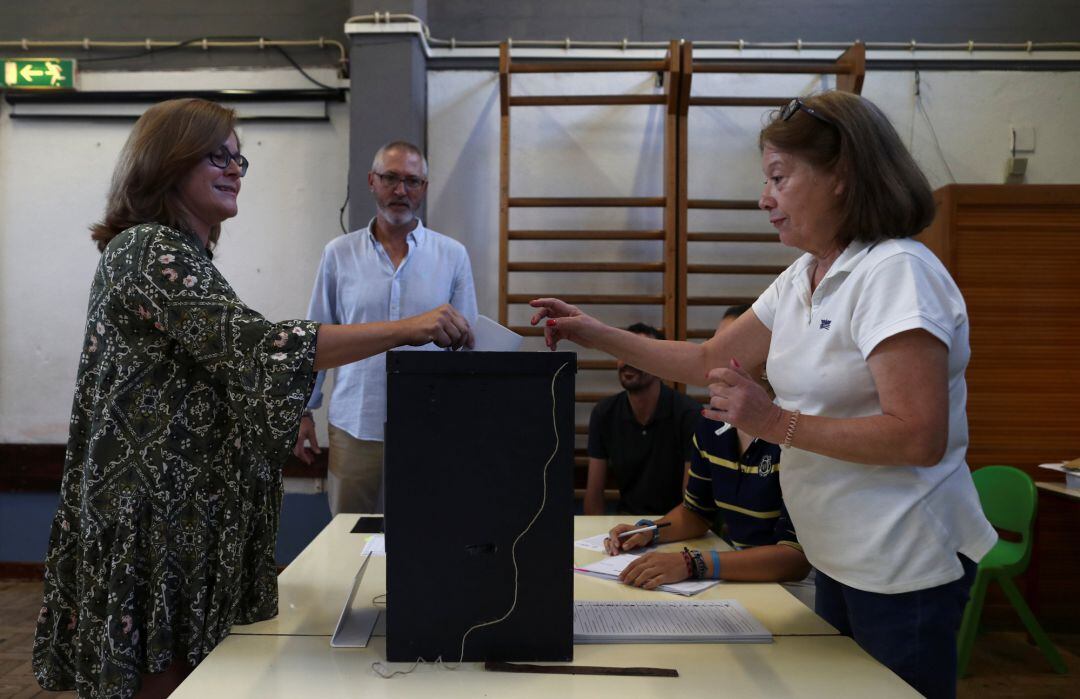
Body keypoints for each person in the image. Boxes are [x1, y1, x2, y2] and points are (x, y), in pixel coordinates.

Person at [531, 91, 996, 699]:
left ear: (842, 177)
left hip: (902, 558)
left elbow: (918, 435)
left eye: (779, 177)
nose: (764, 198)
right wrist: (589, 329)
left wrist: (775, 422)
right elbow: (704, 359)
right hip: (840, 554)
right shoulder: (804, 275)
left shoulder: (897, 272)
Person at [33, 99, 472, 699]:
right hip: (152, 524)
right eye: (218, 155)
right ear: (168, 161)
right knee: (163, 676)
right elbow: (260, 346)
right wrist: (407, 329)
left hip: (183, 519)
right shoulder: (146, 251)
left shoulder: (188, 257)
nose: (236, 169)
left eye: (239, 158)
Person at [292, 140, 478, 516]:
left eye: (412, 181)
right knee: (346, 535)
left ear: (424, 188)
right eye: (390, 178)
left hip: (431, 423)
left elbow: (470, 346)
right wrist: (303, 412)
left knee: (428, 534)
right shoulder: (338, 254)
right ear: (371, 181)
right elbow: (315, 340)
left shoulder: (452, 255)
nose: (400, 190)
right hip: (355, 423)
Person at [607, 306, 812, 598]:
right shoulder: (711, 423)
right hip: (735, 578)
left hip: (795, 592)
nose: (713, 360)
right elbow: (696, 513)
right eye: (713, 346)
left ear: (768, 363)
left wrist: (693, 563)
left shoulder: (793, 431)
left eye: (729, 348)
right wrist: (649, 531)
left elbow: (795, 559)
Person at [584, 322, 700, 516]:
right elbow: (593, 497)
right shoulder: (604, 413)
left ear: (660, 365)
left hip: (677, 526)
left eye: (638, 355)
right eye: (623, 353)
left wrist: (653, 532)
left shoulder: (689, 415)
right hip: (625, 525)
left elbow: (692, 505)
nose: (628, 361)